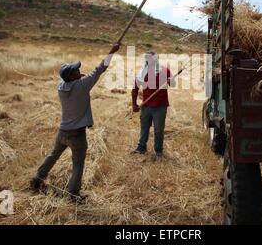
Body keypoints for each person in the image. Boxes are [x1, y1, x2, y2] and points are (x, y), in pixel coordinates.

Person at [30, 43, 120, 201]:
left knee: (53, 155)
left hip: (63, 131)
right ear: (71, 76)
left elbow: (76, 78)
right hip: (77, 135)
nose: (79, 71)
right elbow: (100, 69)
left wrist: (78, 76)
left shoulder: (61, 86)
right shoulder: (82, 85)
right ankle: (72, 194)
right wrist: (111, 52)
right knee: (78, 165)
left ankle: (38, 178)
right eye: (76, 70)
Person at [131, 52, 176, 157]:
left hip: (160, 106)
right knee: (144, 127)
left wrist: (170, 81)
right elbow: (135, 89)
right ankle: (141, 148)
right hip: (146, 106)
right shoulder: (142, 72)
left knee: (158, 130)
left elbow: (173, 84)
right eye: (147, 59)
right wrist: (134, 104)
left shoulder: (165, 71)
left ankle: (158, 151)